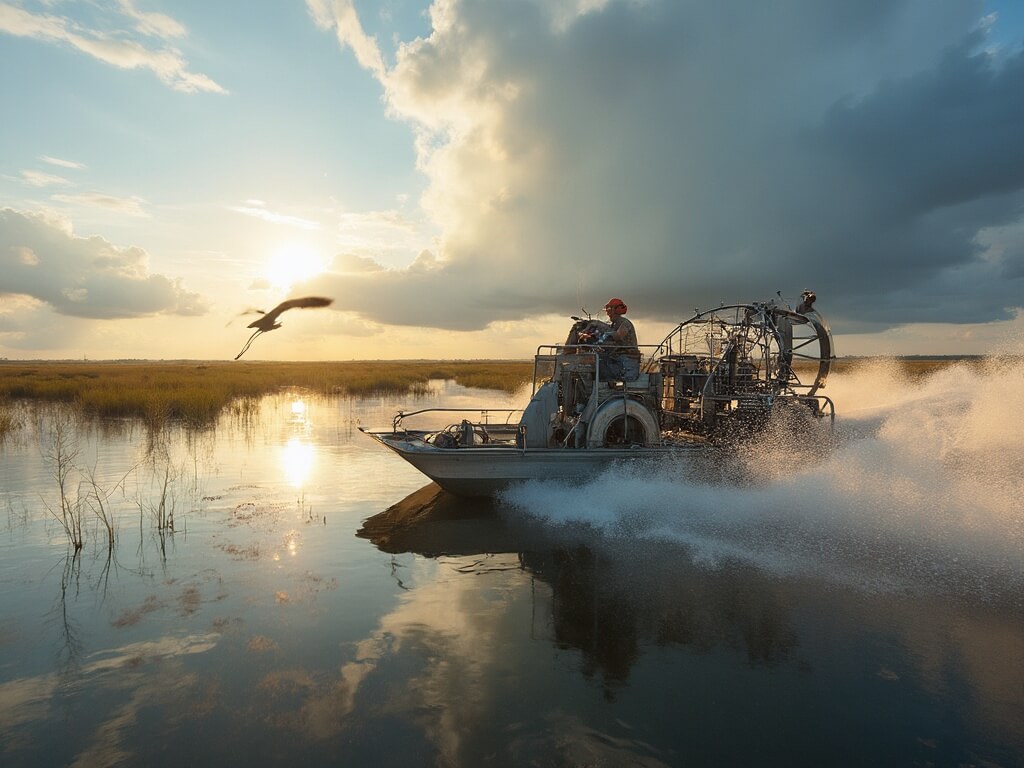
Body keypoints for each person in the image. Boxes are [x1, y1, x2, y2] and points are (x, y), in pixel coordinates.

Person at [587, 297, 640, 381]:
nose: (608, 314)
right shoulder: (614, 325)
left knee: (599, 363)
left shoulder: (625, 323)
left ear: (616, 310)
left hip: (626, 362)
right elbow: (609, 342)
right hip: (618, 359)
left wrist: (601, 326)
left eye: (610, 310)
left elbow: (618, 336)